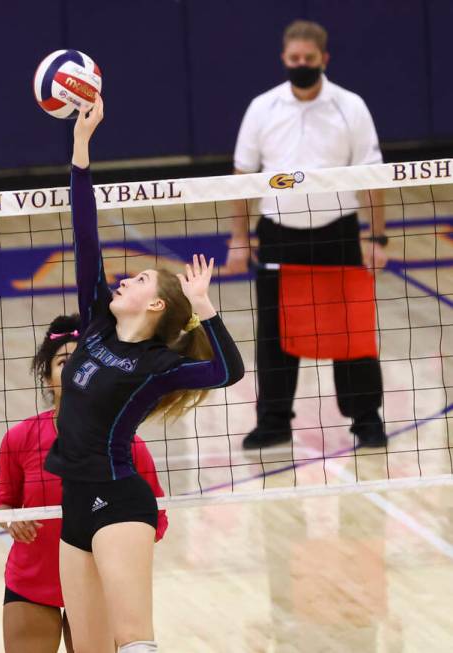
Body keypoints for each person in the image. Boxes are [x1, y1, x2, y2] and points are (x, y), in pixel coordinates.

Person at [43, 94, 245, 653]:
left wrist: (206, 307)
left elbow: (229, 372)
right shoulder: (96, 326)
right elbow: (86, 237)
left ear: (155, 308)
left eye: (137, 283)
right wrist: (81, 150)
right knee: (89, 648)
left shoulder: (159, 367)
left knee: (133, 639)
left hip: (121, 501)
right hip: (75, 500)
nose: (124, 283)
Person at [226, 19, 388, 449]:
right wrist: (239, 240)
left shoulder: (350, 107)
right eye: (294, 59)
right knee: (275, 333)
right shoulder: (263, 108)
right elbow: (241, 178)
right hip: (279, 234)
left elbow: (373, 177)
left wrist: (378, 237)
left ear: (324, 59)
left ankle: (366, 419)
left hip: (338, 233)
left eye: (309, 60)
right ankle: (275, 421)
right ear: (284, 58)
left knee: (351, 329)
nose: (301, 65)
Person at [0, 313, 169, 653]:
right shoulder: (20, 437)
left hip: (97, 583)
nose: (74, 368)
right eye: (63, 361)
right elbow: (4, 502)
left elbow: (156, 518)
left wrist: (117, 549)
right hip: (32, 581)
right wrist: (10, 519)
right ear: (47, 379)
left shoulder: (126, 444)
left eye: (82, 360)